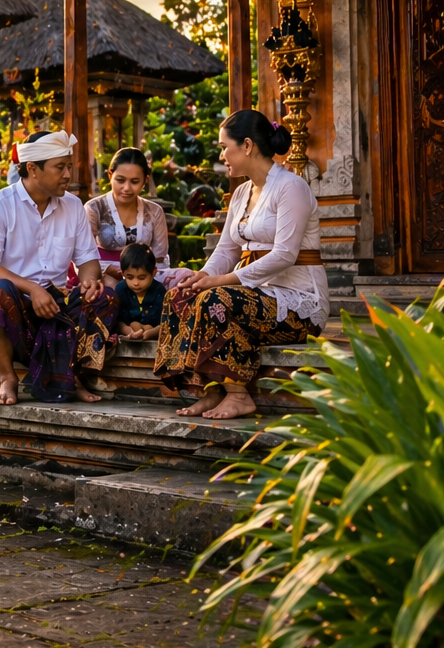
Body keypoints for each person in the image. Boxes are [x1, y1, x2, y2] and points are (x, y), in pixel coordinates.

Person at [156, 110, 329, 419]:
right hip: (252, 297)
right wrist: (203, 275)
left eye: (225, 147)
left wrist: (220, 282)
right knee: (179, 296)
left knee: (215, 298)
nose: (222, 155)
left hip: (297, 304)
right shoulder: (240, 193)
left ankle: (238, 395)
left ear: (247, 145)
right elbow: (227, 249)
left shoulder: (291, 187)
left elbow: (284, 255)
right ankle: (210, 389)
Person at [0, 130, 118, 405]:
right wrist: (33, 289)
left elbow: (87, 260)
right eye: (60, 167)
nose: (67, 175)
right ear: (32, 169)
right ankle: (7, 378)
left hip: (55, 304)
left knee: (104, 297)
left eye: (69, 166)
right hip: (13, 304)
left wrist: (88, 282)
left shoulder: (73, 206)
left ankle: (72, 374)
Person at [84, 147, 170, 282]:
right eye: (120, 180)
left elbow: (160, 259)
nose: (127, 188)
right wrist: (109, 270)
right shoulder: (94, 208)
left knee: (183, 276)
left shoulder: (155, 211)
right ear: (110, 175)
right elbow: (83, 254)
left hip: (145, 277)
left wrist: (144, 277)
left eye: (135, 182)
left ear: (145, 180)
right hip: (104, 274)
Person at [114, 243, 166, 340]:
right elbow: (118, 320)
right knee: (134, 324)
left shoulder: (159, 290)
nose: (136, 283)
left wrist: (151, 333)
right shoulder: (121, 289)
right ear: (122, 273)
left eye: (142, 278)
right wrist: (128, 331)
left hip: (154, 330)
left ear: (154, 272)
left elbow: (165, 322)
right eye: (129, 277)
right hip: (130, 329)